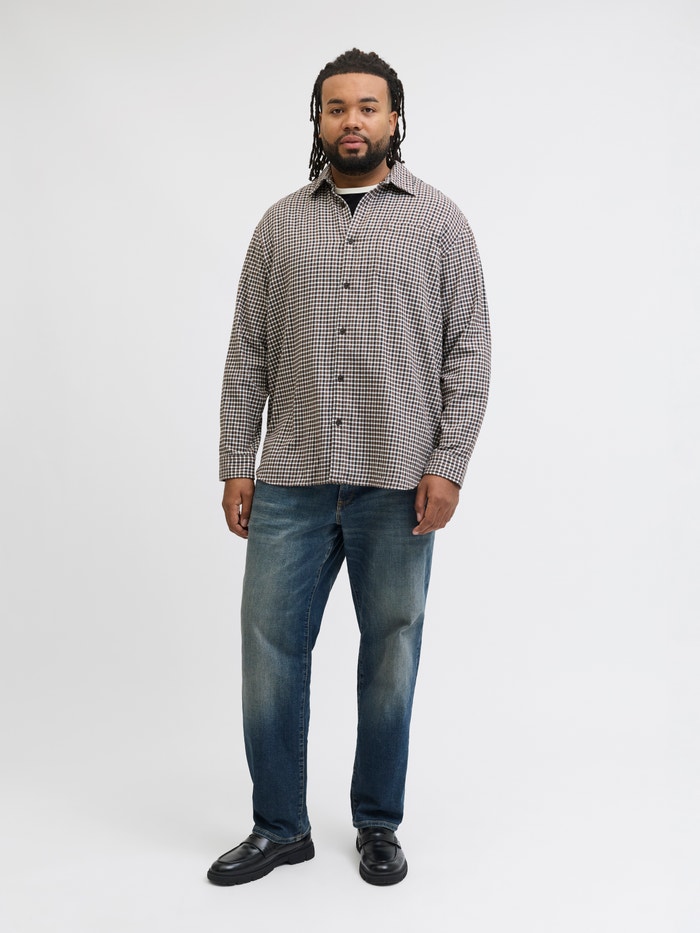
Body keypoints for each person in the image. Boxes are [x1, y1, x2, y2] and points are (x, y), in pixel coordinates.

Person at [207, 48, 491, 887]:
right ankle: (279, 827)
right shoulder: (279, 226)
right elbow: (248, 351)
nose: (353, 121)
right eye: (337, 108)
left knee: (390, 653)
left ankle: (378, 823)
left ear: (395, 118)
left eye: (368, 106)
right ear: (319, 121)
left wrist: (449, 463)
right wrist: (237, 460)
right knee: (269, 650)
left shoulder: (440, 223)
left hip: (398, 480)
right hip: (291, 476)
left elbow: (469, 350)